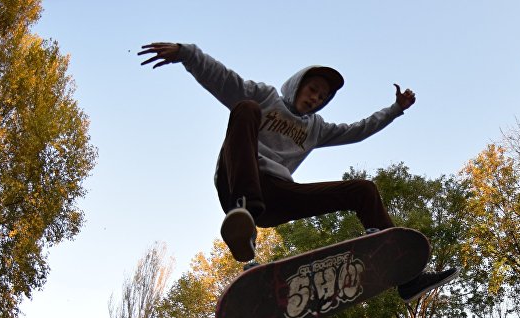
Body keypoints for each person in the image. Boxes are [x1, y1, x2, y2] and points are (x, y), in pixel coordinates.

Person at [138, 42, 457, 301]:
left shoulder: (316, 128)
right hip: (237, 182)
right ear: (297, 85)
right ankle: (243, 218)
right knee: (245, 108)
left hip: (279, 196)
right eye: (312, 89)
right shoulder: (265, 97)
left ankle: (406, 276)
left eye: (323, 97)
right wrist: (186, 53)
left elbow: (357, 130)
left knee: (363, 190)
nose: (315, 98)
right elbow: (224, 79)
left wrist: (394, 110)